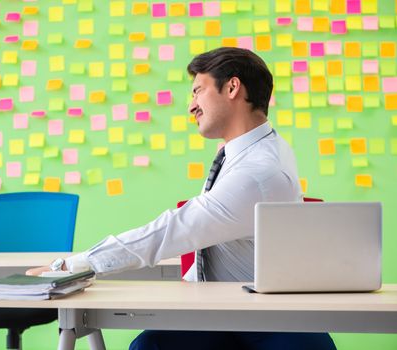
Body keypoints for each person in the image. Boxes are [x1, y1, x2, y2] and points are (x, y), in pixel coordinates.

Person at [27, 47, 337, 350]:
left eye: (198, 91)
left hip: (265, 320)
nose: (191, 106)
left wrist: (73, 265)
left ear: (232, 87)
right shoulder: (249, 149)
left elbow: (174, 229)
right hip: (226, 309)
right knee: (149, 344)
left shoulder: (258, 172)